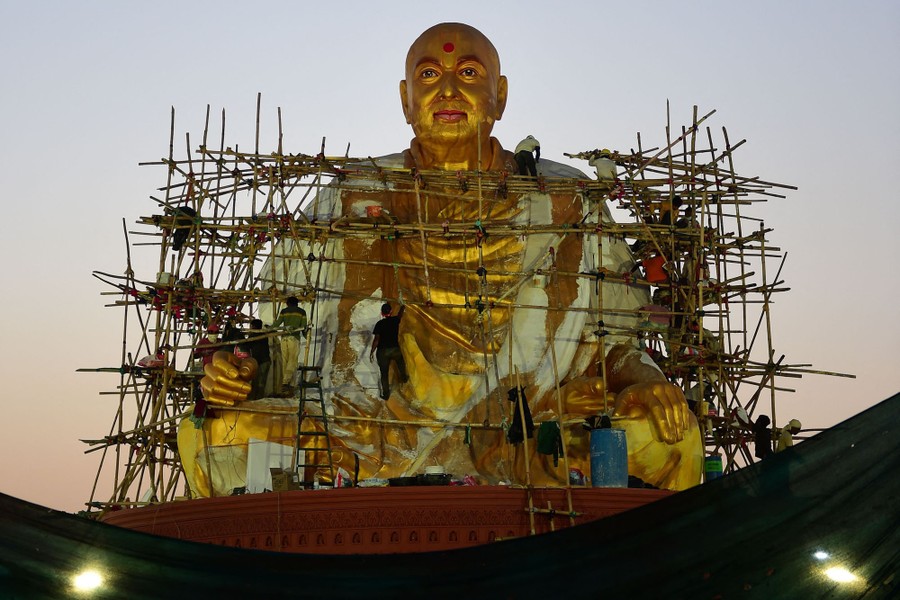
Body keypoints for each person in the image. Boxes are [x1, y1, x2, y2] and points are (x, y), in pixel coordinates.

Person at [179, 22, 702, 497]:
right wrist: (234, 372)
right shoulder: (351, 196)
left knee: (669, 436)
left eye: (469, 73)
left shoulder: (562, 199)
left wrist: (646, 383)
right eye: (429, 74)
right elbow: (279, 341)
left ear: (499, 95)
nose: (449, 89)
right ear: (406, 99)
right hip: (370, 430)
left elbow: (614, 340)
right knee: (209, 433)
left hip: (523, 430)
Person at [369, 303, 409, 399]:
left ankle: (386, 395)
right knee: (400, 363)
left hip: (382, 351)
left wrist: (372, 351)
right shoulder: (395, 320)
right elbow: (400, 314)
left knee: (384, 373)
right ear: (391, 312)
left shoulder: (379, 324)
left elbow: (377, 340)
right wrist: (402, 307)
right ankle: (404, 378)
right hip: (394, 349)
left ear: (382, 313)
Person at [271, 296, 307, 395]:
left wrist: (270, 329)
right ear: (297, 303)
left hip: (284, 338)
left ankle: (290, 386)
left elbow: (277, 323)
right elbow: (304, 327)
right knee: (293, 360)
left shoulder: (284, 311)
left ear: (287, 303)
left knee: (285, 362)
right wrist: (306, 336)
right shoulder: (301, 312)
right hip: (294, 338)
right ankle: (285, 382)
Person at [243, 319, 272, 400]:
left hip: (259, 361)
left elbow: (246, 346)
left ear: (253, 326)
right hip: (265, 361)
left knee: (256, 382)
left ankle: (254, 398)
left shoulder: (253, 336)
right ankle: (259, 398)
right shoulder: (263, 334)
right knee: (261, 382)